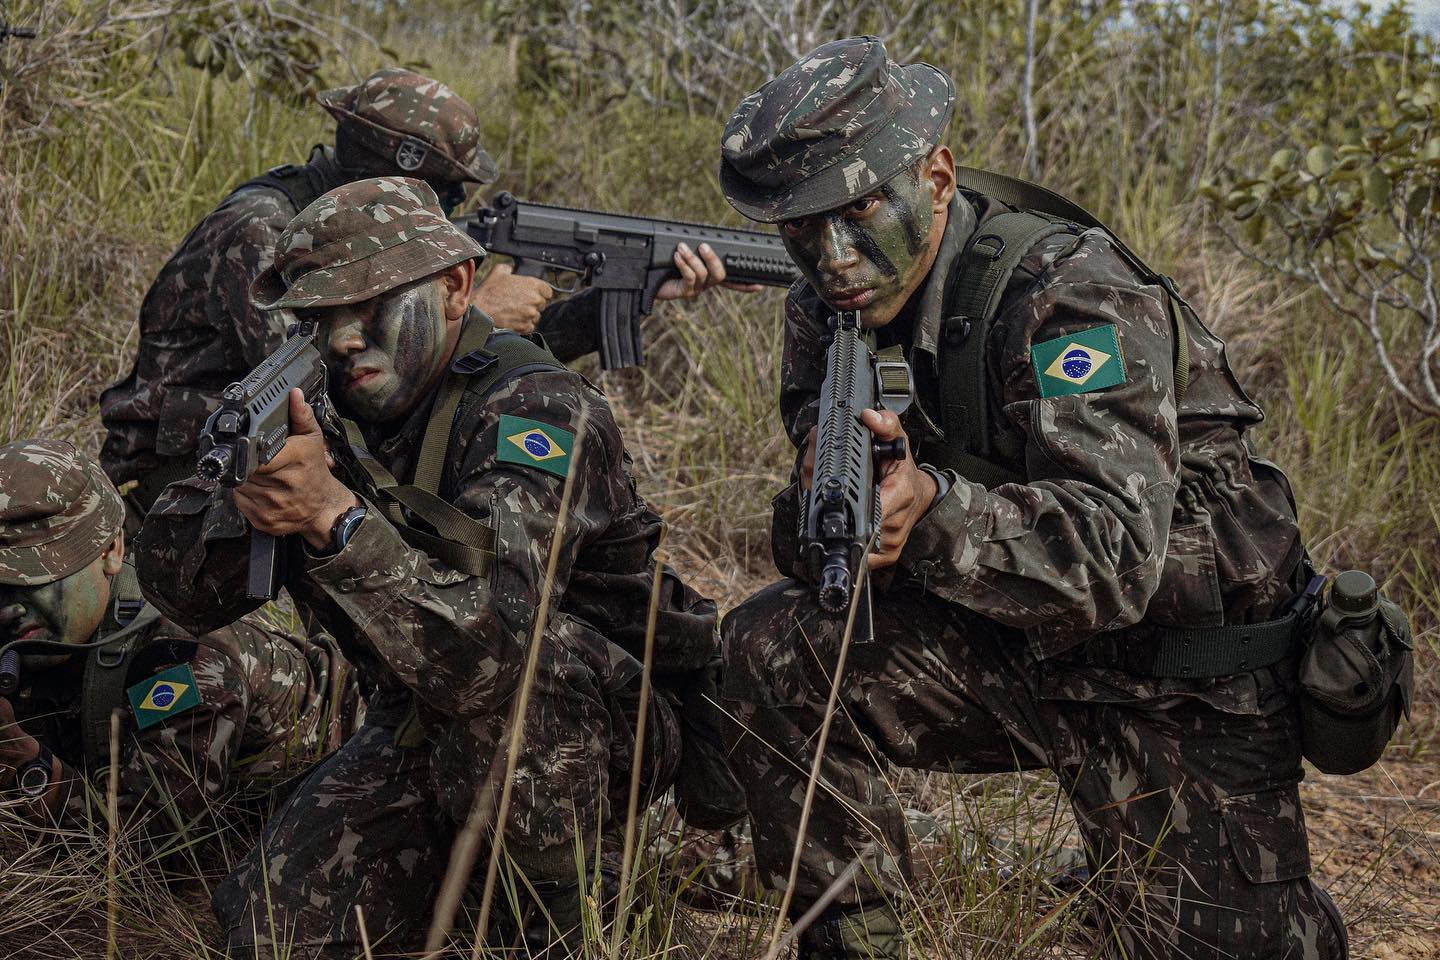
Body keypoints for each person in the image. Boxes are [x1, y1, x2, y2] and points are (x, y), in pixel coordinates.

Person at [715, 36, 1347, 960]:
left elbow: (1117, 559)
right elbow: (835, 532)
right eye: (802, 227)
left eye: (856, 212)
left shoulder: (1069, 296)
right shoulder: (831, 305)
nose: (833, 254)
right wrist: (832, 512)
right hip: (1010, 641)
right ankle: (851, 940)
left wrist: (930, 513)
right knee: (768, 652)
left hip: (1177, 673)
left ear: (936, 177)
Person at [133, 176, 726, 956]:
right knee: (272, 927)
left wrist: (331, 517)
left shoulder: (538, 409)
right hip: (421, 717)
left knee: (521, 689)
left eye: (370, 304)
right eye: (318, 318)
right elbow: (181, 595)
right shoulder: (327, 412)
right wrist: (235, 492)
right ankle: (467, 871)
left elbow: (489, 657)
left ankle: (567, 917)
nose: (343, 337)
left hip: (595, 727)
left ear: (454, 287)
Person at [100, 66, 740, 531]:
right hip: (182, 486)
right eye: (444, 196)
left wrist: (615, 307)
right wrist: (474, 311)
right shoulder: (266, 233)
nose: (445, 216)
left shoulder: (328, 228)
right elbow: (339, 389)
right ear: (393, 173)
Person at [0, 438, 351, 843]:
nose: (7, 609)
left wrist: (29, 769)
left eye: (34, 582)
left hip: (348, 765)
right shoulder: (42, 634)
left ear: (111, 550)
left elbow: (148, 850)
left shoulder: (183, 660)